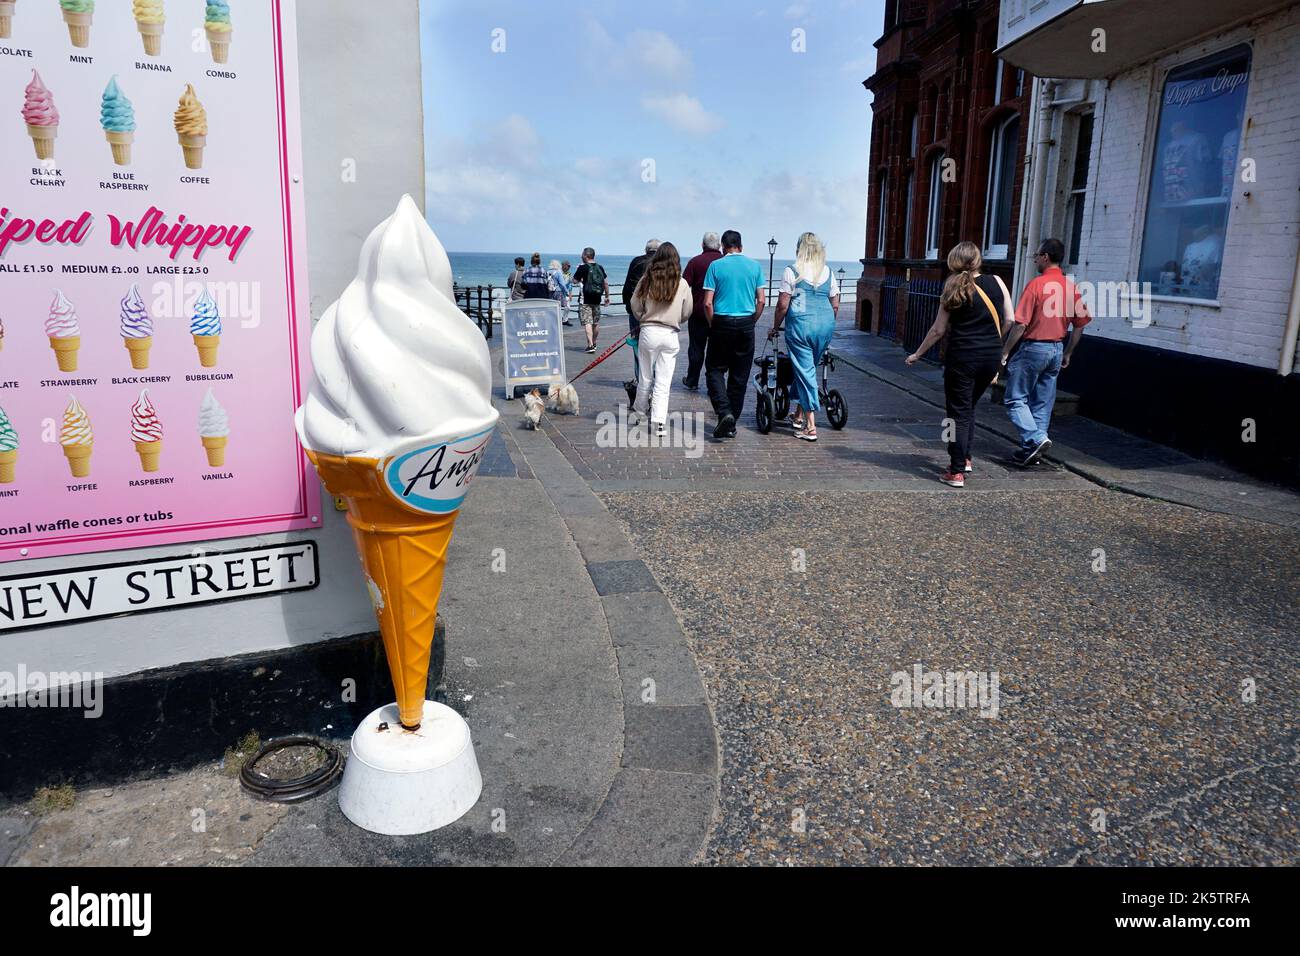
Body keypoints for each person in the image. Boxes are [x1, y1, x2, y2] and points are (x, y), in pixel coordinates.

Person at [906, 241, 1013, 487]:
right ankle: (965, 459)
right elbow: (1011, 319)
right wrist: (994, 342)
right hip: (990, 359)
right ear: (977, 260)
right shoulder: (997, 281)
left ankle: (955, 471)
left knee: (956, 414)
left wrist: (918, 354)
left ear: (954, 261)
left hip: (962, 359)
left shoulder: (952, 286)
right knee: (969, 408)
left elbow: (938, 330)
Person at [1000, 237, 1091, 466]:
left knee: (1015, 399)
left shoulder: (1036, 285)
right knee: (1042, 403)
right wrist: (1068, 352)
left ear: (1046, 257)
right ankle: (1033, 451)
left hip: (1033, 348)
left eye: (1036, 256)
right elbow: (1080, 324)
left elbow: (1020, 324)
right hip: (1056, 349)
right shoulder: (1072, 289)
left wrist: (1005, 351)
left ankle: (1035, 438)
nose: (1034, 260)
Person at [770, 232, 841, 442]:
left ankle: (810, 427)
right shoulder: (828, 272)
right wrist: (826, 322)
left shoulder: (792, 271)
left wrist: (775, 327)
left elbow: (783, 304)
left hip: (801, 328)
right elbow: (835, 304)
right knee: (808, 369)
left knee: (805, 372)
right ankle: (799, 416)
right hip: (825, 327)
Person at [702, 230, 765, 439]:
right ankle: (731, 422)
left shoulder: (716, 266)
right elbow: (762, 301)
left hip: (721, 321)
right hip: (746, 323)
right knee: (739, 376)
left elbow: (707, 302)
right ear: (741, 245)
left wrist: (713, 324)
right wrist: (752, 321)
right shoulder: (755, 266)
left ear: (722, 246)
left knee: (714, 369)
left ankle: (724, 412)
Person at [629, 242, 692, 437]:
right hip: (670, 333)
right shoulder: (682, 283)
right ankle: (658, 423)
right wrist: (676, 319)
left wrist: (643, 318)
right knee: (663, 382)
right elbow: (687, 310)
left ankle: (639, 413)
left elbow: (634, 303)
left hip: (648, 331)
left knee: (646, 377)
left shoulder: (647, 279)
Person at [681, 232, 722, 390]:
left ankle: (692, 380)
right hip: (719, 313)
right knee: (716, 350)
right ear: (719, 245)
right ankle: (714, 383)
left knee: (696, 349)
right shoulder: (724, 262)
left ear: (702, 245)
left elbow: (684, 286)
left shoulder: (694, 262)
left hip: (698, 313)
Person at [623, 239, 661, 380]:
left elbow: (627, 287)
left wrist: (629, 307)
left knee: (638, 345)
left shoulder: (636, 262)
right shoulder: (663, 264)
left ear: (646, 250)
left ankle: (641, 377)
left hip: (636, 310)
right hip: (657, 312)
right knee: (656, 345)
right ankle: (656, 376)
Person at [572, 247, 610, 353]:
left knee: (588, 322)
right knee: (596, 322)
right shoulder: (600, 267)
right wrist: (607, 296)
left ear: (586, 256)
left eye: (582, 254)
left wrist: (579, 275)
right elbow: (605, 283)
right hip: (597, 298)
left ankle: (590, 345)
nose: (581, 256)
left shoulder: (582, 268)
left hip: (585, 299)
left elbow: (574, 281)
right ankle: (594, 342)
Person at [549, 259, 571, 324]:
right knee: (559, 307)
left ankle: (554, 320)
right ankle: (558, 321)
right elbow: (562, 284)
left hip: (550, 291)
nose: (569, 267)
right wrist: (567, 292)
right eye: (568, 266)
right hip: (559, 291)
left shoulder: (548, 272)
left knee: (553, 307)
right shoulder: (558, 272)